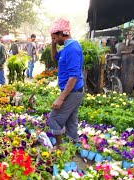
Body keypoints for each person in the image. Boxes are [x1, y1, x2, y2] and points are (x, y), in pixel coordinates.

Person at [48, 19, 84, 150]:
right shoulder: (66, 48)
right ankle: (73, 142)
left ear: (62, 34)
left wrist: (61, 97)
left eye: (55, 38)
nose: (55, 40)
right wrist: (53, 45)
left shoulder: (73, 48)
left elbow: (73, 77)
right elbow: (54, 58)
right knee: (71, 119)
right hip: (73, 91)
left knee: (54, 117)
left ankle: (59, 147)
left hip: (73, 91)